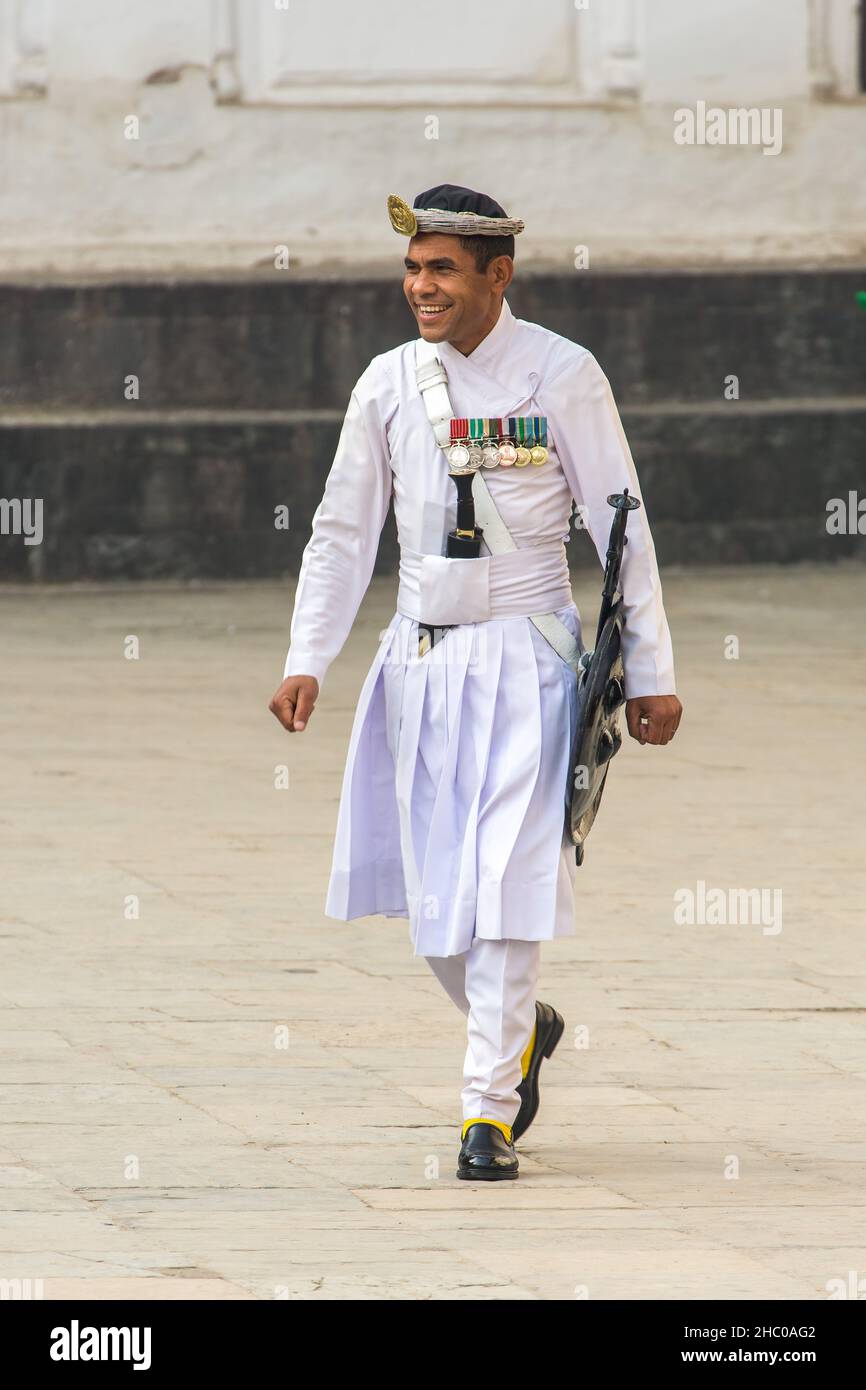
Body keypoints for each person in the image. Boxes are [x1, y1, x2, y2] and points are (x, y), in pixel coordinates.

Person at [269, 184, 682, 1181]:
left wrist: (652, 672)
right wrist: (305, 654)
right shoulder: (385, 384)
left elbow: (618, 521)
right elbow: (340, 530)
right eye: (413, 269)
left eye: (442, 269)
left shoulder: (560, 374)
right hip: (417, 663)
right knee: (432, 903)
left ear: (498, 275)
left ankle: (483, 1114)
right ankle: (521, 1030)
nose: (422, 287)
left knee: (504, 886)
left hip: (528, 657)